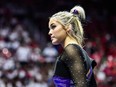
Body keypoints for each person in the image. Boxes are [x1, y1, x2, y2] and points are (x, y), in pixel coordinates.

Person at [48, 5, 97, 87]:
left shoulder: (72, 50)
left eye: (53, 27)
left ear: (68, 27)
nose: (49, 32)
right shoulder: (75, 50)